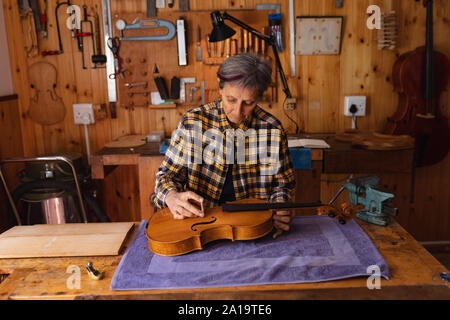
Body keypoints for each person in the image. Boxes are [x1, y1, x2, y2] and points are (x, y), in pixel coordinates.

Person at [152, 53, 295, 239]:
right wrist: (171, 197)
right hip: (199, 228)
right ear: (220, 88)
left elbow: (283, 185)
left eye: (248, 103)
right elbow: (166, 176)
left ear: (258, 97)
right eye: (231, 100)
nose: (237, 111)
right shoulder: (193, 123)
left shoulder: (272, 129)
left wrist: (280, 208)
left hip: (252, 230)